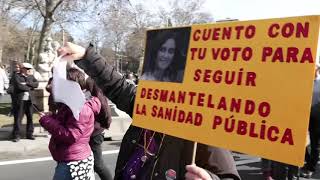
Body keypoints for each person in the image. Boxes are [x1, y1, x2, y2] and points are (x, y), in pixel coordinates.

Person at [58, 42, 241, 180]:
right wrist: (86, 55)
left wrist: (210, 179)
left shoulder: (204, 126)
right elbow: (118, 86)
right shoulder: (148, 104)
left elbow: (228, 176)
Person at [39, 68, 100, 180]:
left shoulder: (81, 108)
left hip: (73, 163)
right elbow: (67, 122)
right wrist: (52, 117)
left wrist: (46, 121)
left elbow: (71, 135)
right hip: (71, 157)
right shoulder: (73, 102)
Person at [86, 77, 113, 180]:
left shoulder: (97, 100)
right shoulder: (92, 97)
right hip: (91, 133)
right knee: (90, 164)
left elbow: (106, 118)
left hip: (95, 134)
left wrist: (93, 127)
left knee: (98, 165)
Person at [300, 66, 320, 178]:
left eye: (314, 68)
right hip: (303, 115)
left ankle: (311, 167)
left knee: (314, 143)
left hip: (316, 117)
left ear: (317, 69)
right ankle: (307, 162)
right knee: (299, 141)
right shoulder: (305, 81)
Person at [11, 63, 39, 142]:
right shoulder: (16, 76)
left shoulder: (31, 76)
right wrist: (30, 87)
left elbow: (36, 84)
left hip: (30, 100)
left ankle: (30, 134)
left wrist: (27, 83)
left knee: (30, 117)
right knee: (18, 118)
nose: (28, 70)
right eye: (26, 68)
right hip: (20, 101)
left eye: (29, 69)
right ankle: (16, 135)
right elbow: (19, 86)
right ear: (22, 68)